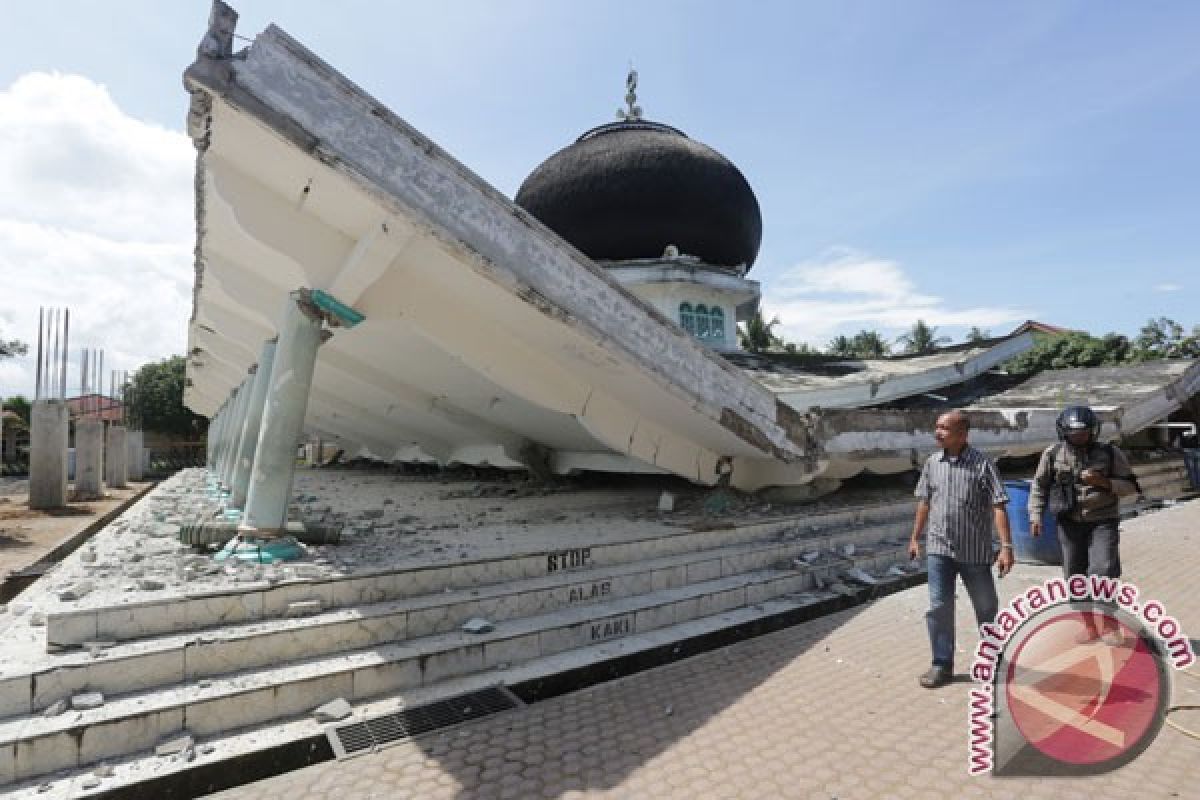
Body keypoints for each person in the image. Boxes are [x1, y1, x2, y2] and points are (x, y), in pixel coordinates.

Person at [908, 410, 1013, 689]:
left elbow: (998, 505)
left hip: (974, 552)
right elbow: (925, 502)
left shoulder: (982, 464)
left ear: (962, 434)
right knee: (939, 606)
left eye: (944, 428)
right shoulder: (932, 463)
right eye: (937, 426)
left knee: (986, 607)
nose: (937, 432)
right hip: (939, 548)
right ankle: (941, 664)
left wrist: (1006, 547)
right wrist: (915, 537)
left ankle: (992, 659)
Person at [1028, 405, 1138, 580]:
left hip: (1102, 520)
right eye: (1074, 434)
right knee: (1074, 575)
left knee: (1103, 570)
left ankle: (1106, 606)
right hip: (1068, 522)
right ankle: (1079, 607)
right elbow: (1040, 486)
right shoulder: (1052, 454)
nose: (1080, 437)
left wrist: (1103, 482)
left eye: (1084, 433)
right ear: (1064, 432)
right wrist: (1036, 516)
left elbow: (1131, 487)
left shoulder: (1109, 453)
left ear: (1093, 431)